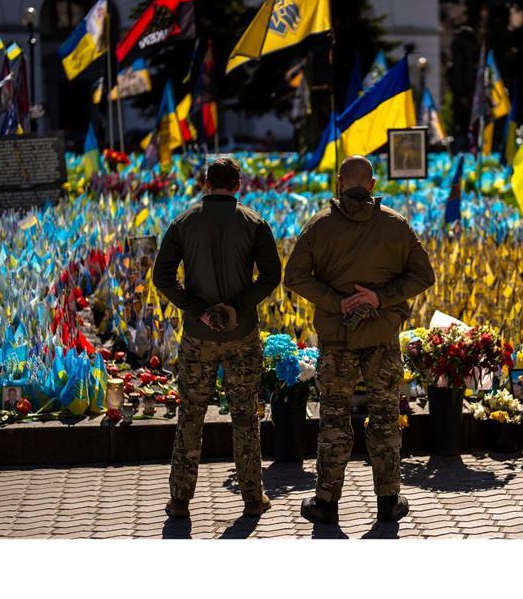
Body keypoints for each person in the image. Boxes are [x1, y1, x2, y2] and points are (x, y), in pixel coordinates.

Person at [285, 155, 435, 524]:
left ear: (339, 182)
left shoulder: (319, 226)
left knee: (334, 420)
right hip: (381, 336)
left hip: (337, 340)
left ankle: (326, 502)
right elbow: (423, 275)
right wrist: (379, 298)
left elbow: (295, 277)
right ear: (370, 185)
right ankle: (388, 502)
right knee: (384, 417)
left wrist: (338, 302)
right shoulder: (394, 225)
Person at [152, 157, 282, 519]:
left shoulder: (183, 223)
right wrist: (238, 307)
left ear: (206, 183)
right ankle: (253, 498)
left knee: (190, 414)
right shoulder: (254, 223)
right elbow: (272, 275)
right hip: (240, 333)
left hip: (198, 335)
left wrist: (198, 309)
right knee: (244, 416)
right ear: (238, 185)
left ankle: (180, 499)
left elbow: (162, 277)